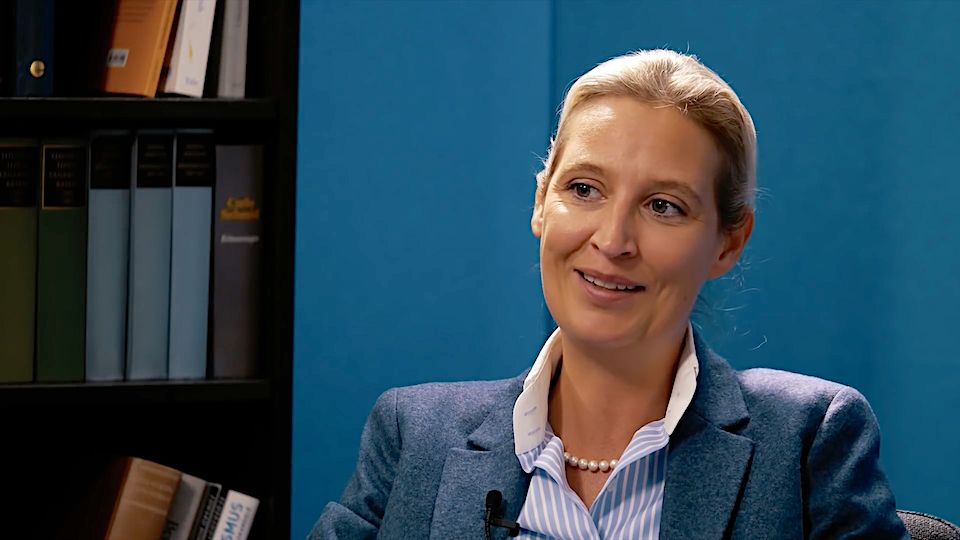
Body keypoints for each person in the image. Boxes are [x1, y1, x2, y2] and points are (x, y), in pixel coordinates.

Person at [311, 49, 907, 539]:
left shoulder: (808, 441)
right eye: (585, 189)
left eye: (663, 206)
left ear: (728, 243)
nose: (613, 240)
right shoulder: (413, 436)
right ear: (541, 202)